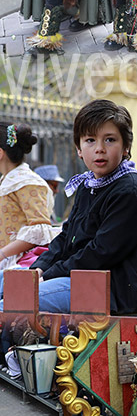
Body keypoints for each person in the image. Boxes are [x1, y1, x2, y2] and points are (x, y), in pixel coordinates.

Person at [33, 100, 137, 315]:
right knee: (8, 284)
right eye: (90, 140)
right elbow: (67, 236)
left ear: (125, 147)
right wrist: (39, 268)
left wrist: (49, 275)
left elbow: (101, 252)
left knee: (16, 302)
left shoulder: (130, 189)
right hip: (81, 277)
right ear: (79, 149)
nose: (100, 149)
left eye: (110, 140)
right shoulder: (88, 185)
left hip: (115, 288)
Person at [0, 122, 54, 297]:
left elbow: (39, 230)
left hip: (21, 264)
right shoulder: (6, 181)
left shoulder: (27, 182)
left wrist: (2, 254)